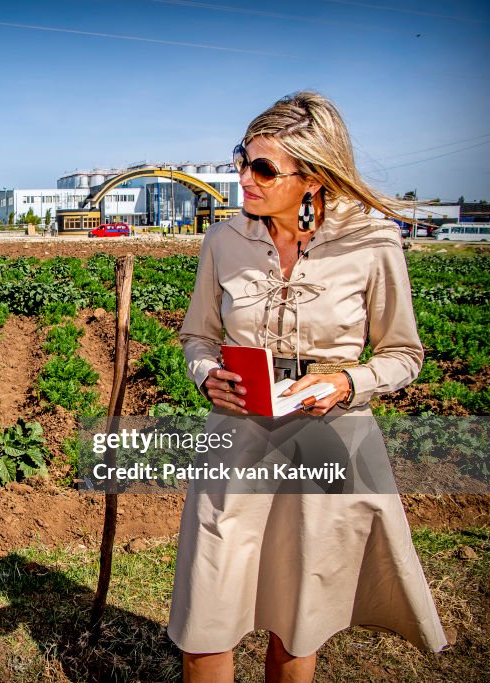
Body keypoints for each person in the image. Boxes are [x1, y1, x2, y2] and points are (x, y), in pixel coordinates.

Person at [168, 92, 447, 682]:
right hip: (236, 441)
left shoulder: (372, 242)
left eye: (263, 168)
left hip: (329, 447)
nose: (243, 177)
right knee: (205, 620)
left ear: (314, 177)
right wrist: (206, 375)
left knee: (297, 627)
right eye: (243, 158)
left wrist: (348, 381)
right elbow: (197, 338)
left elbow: (404, 354)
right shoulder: (224, 240)